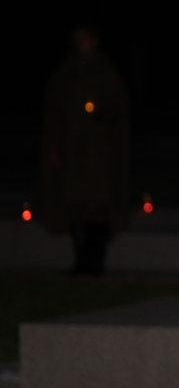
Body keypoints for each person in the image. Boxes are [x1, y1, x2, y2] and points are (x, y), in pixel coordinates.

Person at [39, 24, 130, 275]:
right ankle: (80, 262)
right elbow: (54, 113)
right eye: (78, 39)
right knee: (75, 206)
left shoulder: (105, 73)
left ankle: (95, 262)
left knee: (97, 207)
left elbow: (118, 110)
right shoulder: (65, 74)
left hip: (98, 153)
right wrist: (54, 146)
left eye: (86, 38)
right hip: (72, 153)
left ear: (95, 40)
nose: (82, 44)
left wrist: (100, 112)